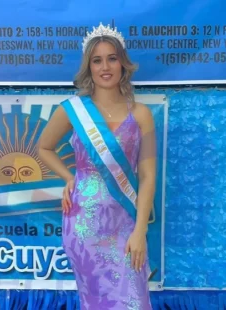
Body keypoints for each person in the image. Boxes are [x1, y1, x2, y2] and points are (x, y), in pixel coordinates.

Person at [38, 23, 156, 309]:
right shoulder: (72, 110)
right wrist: (69, 177)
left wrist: (140, 231)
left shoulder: (141, 114)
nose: (105, 67)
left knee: (133, 299)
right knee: (96, 300)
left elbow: (149, 177)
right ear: (88, 67)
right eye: (97, 60)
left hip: (126, 223)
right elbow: (44, 148)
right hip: (84, 225)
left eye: (112, 58)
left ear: (123, 64)